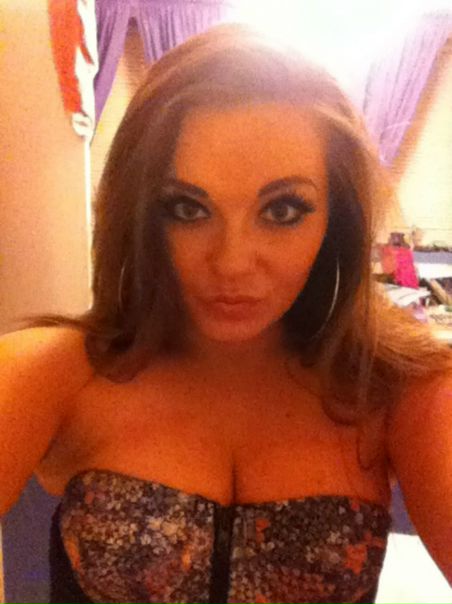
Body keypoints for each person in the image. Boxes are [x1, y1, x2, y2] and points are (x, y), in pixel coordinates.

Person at [1, 21, 451, 604]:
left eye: (282, 210)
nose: (232, 263)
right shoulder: (54, 373)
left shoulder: (400, 388)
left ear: (337, 217)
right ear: (139, 213)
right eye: (187, 209)